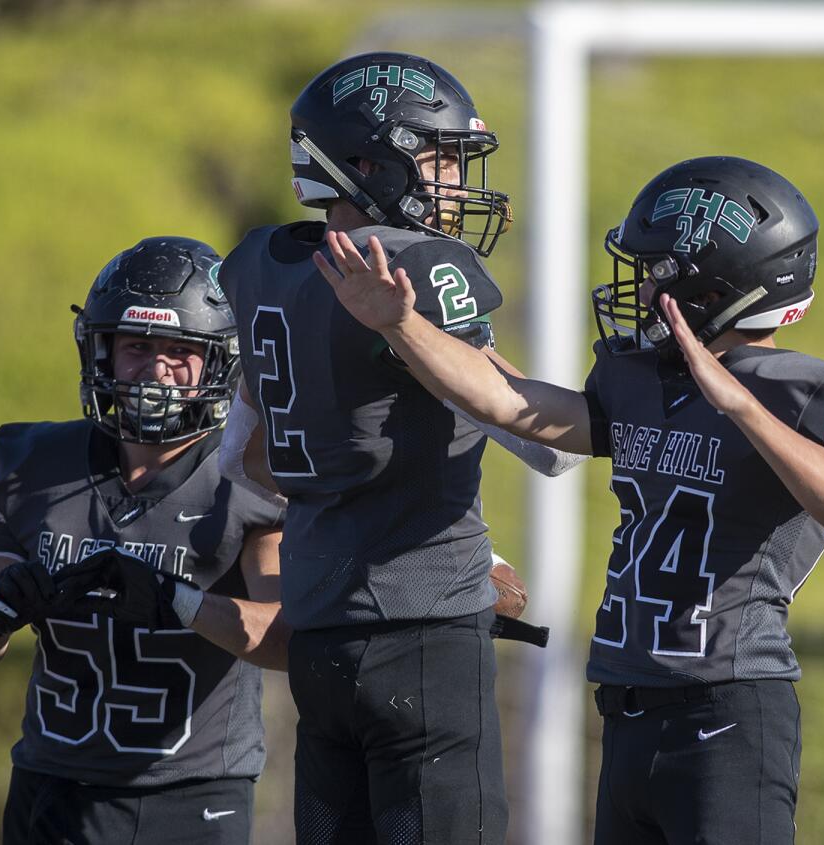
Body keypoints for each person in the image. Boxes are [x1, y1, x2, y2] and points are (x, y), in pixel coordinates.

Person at [317, 155, 824, 845]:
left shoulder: (802, 391)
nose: (638, 286)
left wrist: (739, 405)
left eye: (657, 271)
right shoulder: (640, 382)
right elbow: (507, 402)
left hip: (728, 712)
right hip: (628, 715)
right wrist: (403, 326)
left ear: (715, 286)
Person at [216, 51, 573, 845]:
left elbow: (245, 458)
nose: (455, 181)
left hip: (321, 633)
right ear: (371, 163)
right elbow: (544, 439)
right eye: (440, 158)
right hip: (423, 627)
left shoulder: (257, 264)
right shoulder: (416, 265)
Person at [0, 236, 287, 845]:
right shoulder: (38, 467)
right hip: (50, 790)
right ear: (101, 351)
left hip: (189, 798)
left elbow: (284, 639)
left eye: (182, 351)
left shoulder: (250, 478)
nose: (156, 369)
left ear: (222, 361)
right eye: (137, 347)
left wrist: (180, 602)